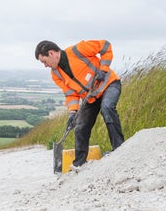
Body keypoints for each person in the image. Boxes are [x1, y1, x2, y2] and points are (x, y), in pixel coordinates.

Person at [35, 39, 125, 168]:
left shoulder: (78, 50)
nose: (45, 65)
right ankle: (79, 164)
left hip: (109, 85)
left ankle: (119, 149)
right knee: (80, 126)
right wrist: (73, 112)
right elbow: (71, 94)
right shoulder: (56, 74)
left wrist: (103, 69)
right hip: (91, 97)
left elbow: (105, 46)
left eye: (44, 61)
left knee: (107, 108)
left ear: (51, 53)